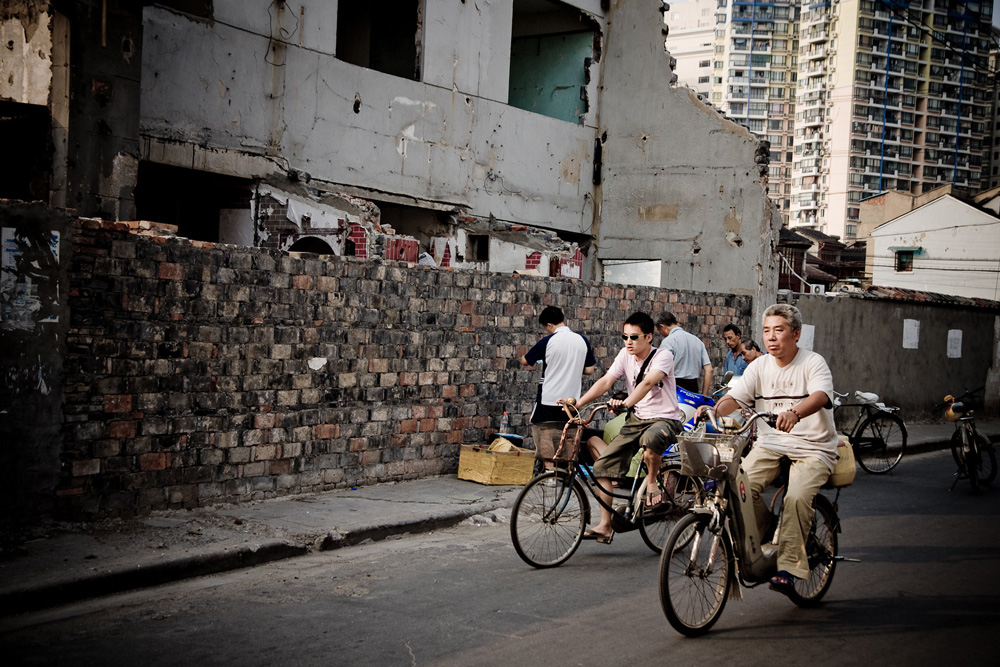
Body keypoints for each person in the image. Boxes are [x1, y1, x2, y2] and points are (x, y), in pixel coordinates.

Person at [700, 304, 838, 595]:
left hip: (813, 447)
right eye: (766, 331)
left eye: (779, 330)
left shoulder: (813, 362)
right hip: (772, 443)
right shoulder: (759, 366)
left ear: (796, 334)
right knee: (738, 485)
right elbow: (735, 399)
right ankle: (771, 534)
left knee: (797, 498)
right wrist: (711, 410)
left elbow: (822, 395)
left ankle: (788, 566)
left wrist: (796, 413)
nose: (771, 337)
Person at [563, 312, 685, 543]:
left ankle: (651, 482)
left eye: (634, 337)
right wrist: (578, 402)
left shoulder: (663, 356)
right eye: (624, 336)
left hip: (665, 420)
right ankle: (605, 526)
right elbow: (606, 381)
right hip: (637, 420)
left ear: (649, 337)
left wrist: (626, 403)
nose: (628, 342)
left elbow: (648, 382)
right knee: (601, 467)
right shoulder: (624, 355)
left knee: (651, 440)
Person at [520, 306, 596, 468]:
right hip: (571, 400)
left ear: (548, 325)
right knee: (568, 433)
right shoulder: (582, 340)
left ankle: (549, 471)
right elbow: (590, 370)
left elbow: (525, 360)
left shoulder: (548, 341)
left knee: (545, 433)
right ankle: (567, 470)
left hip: (549, 397)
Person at [656, 312, 713, 395]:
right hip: (693, 388)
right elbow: (709, 370)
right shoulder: (697, 341)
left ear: (662, 326)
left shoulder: (668, 342)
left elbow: (660, 369)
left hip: (673, 388)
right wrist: (704, 395)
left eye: (659, 330)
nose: (660, 333)